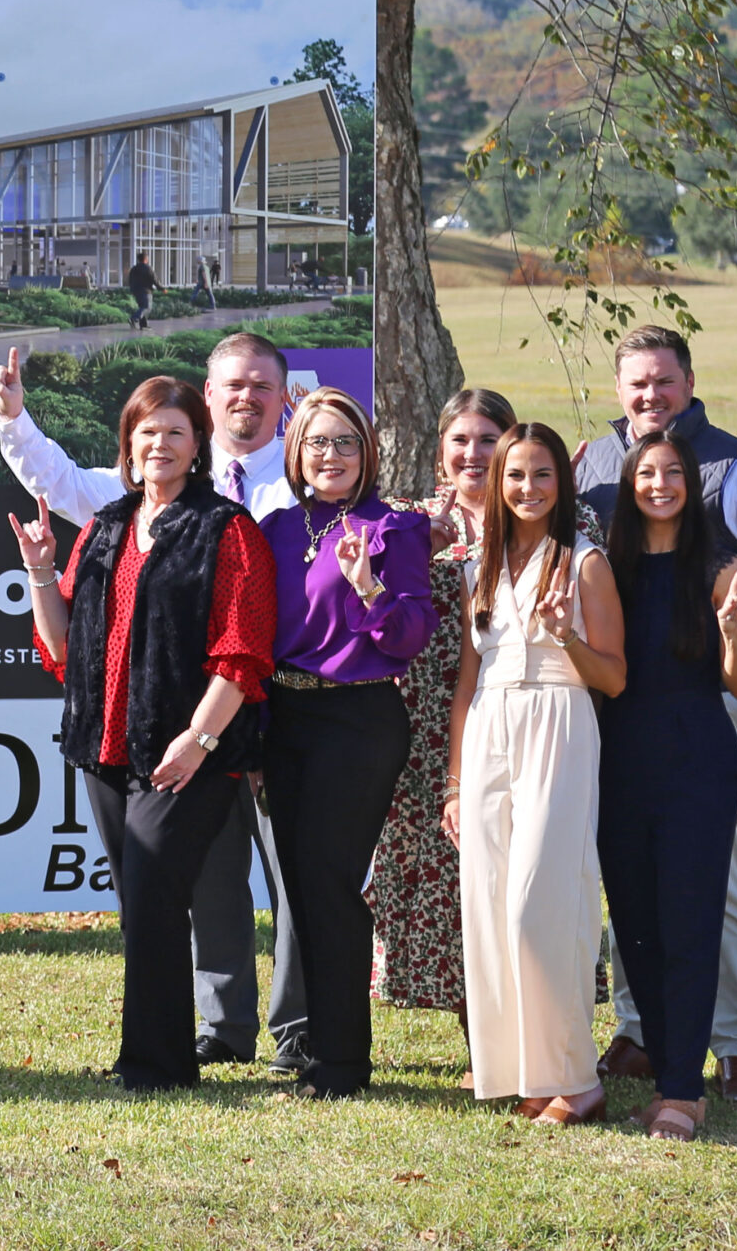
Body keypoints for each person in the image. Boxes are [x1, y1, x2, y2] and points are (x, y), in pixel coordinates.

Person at [0, 330, 305, 1072]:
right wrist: (38, 568)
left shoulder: (254, 512)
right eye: (145, 432)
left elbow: (241, 645)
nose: (159, 444)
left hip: (233, 728)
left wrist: (198, 738)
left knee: (280, 884)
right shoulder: (105, 524)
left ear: (196, 444)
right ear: (128, 446)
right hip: (118, 744)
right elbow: (65, 646)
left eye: (173, 432)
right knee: (163, 893)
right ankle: (203, 1037)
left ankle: (294, 1035)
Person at [577, 324, 737, 1107]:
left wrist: (734, 667)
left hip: (709, 704)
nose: (650, 396)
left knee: (718, 882)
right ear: (620, 391)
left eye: (663, 381)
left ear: (689, 381)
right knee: (634, 876)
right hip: (618, 706)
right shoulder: (595, 464)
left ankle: (735, 1043)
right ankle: (642, 1030)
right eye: (636, 384)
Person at [256, 388, 438, 1098]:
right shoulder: (273, 528)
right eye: (318, 442)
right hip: (287, 718)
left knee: (330, 883)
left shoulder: (394, 527)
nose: (331, 455)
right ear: (296, 450)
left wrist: (368, 588)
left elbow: (412, 638)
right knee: (299, 888)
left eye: (346, 443)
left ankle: (343, 1061)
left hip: (358, 721)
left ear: (368, 454)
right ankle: (316, 1044)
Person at [443, 422, 626, 1126]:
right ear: (496, 483)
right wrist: (457, 782)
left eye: (541, 474)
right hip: (490, 729)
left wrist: (566, 635)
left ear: (562, 482)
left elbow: (614, 676)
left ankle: (578, 1079)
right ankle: (530, 1069)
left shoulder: (584, 563)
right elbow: (467, 682)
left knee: (541, 905)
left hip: (558, 725)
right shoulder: (478, 567)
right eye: (514, 474)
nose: (527, 487)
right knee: (489, 906)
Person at [599, 427, 737, 1141]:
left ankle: (682, 1093)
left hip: (697, 762)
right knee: (636, 926)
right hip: (619, 763)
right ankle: (670, 1069)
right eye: (646, 472)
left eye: (673, 472)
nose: (659, 483)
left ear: (692, 483)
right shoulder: (612, 564)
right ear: (629, 482)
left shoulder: (723, 567)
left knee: (688, 923)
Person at [368, 388, 517, 1065]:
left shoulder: (542, 518)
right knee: (450, 888)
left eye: (489, 438)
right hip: (424, 733)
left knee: (517, 881)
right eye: (461, 439)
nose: (474, 452)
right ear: (440, 451)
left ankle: (533, 1035)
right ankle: (483, 1042)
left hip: (516, 721)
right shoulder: (410, 522)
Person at [126, 252, 157, 330]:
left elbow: (130, 280)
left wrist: (132, 289)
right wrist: (162, 288)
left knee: (142, 307)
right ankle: (134, 318)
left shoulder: (134, 268)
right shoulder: (148, 268)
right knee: (147, 307)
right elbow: (154, 280)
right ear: (146, 259)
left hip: (136, 291)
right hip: (146, 291)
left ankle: (143, 325)